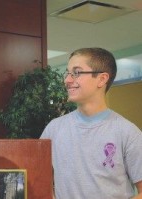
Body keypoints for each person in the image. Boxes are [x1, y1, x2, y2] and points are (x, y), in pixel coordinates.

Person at [40, 47, 142, 199]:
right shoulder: (54, 129)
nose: (67, 80)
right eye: (67, 73)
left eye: (76, 73)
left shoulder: (127, 132)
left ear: (102, 79)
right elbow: (40, 178)